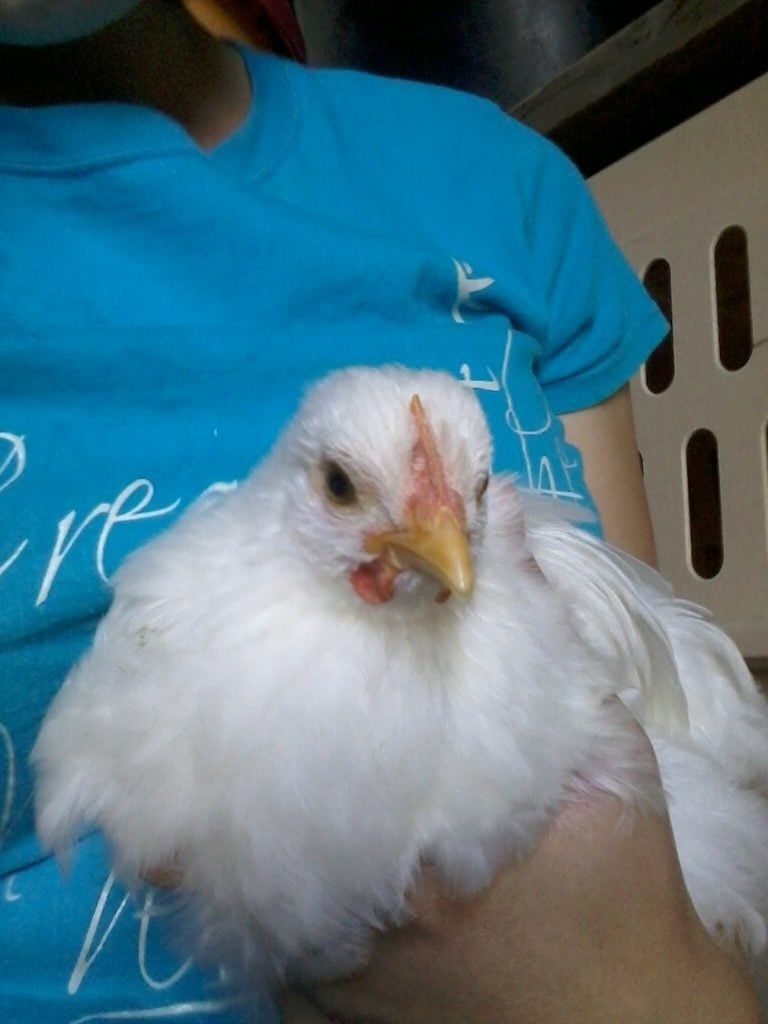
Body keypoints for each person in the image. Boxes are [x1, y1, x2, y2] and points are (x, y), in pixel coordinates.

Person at [0, 2, 759, 1022]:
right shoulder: (181, 621)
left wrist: (648, 995)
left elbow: (683, 772)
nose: (442, 537)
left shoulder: (509, 189)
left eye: (465, 504)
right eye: (343, 488)